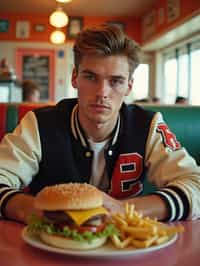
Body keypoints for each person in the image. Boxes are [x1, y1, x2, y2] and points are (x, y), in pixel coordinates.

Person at [0, 25, 200, 224]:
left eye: (116, 81)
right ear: (74, 78)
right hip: (47, 245)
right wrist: (39, 214)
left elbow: (195, 184)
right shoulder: (39, 124)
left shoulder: (148, 126)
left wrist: (123, 210)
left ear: (129, 86)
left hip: (127, 248)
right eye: (90, 77)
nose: (102, 92)